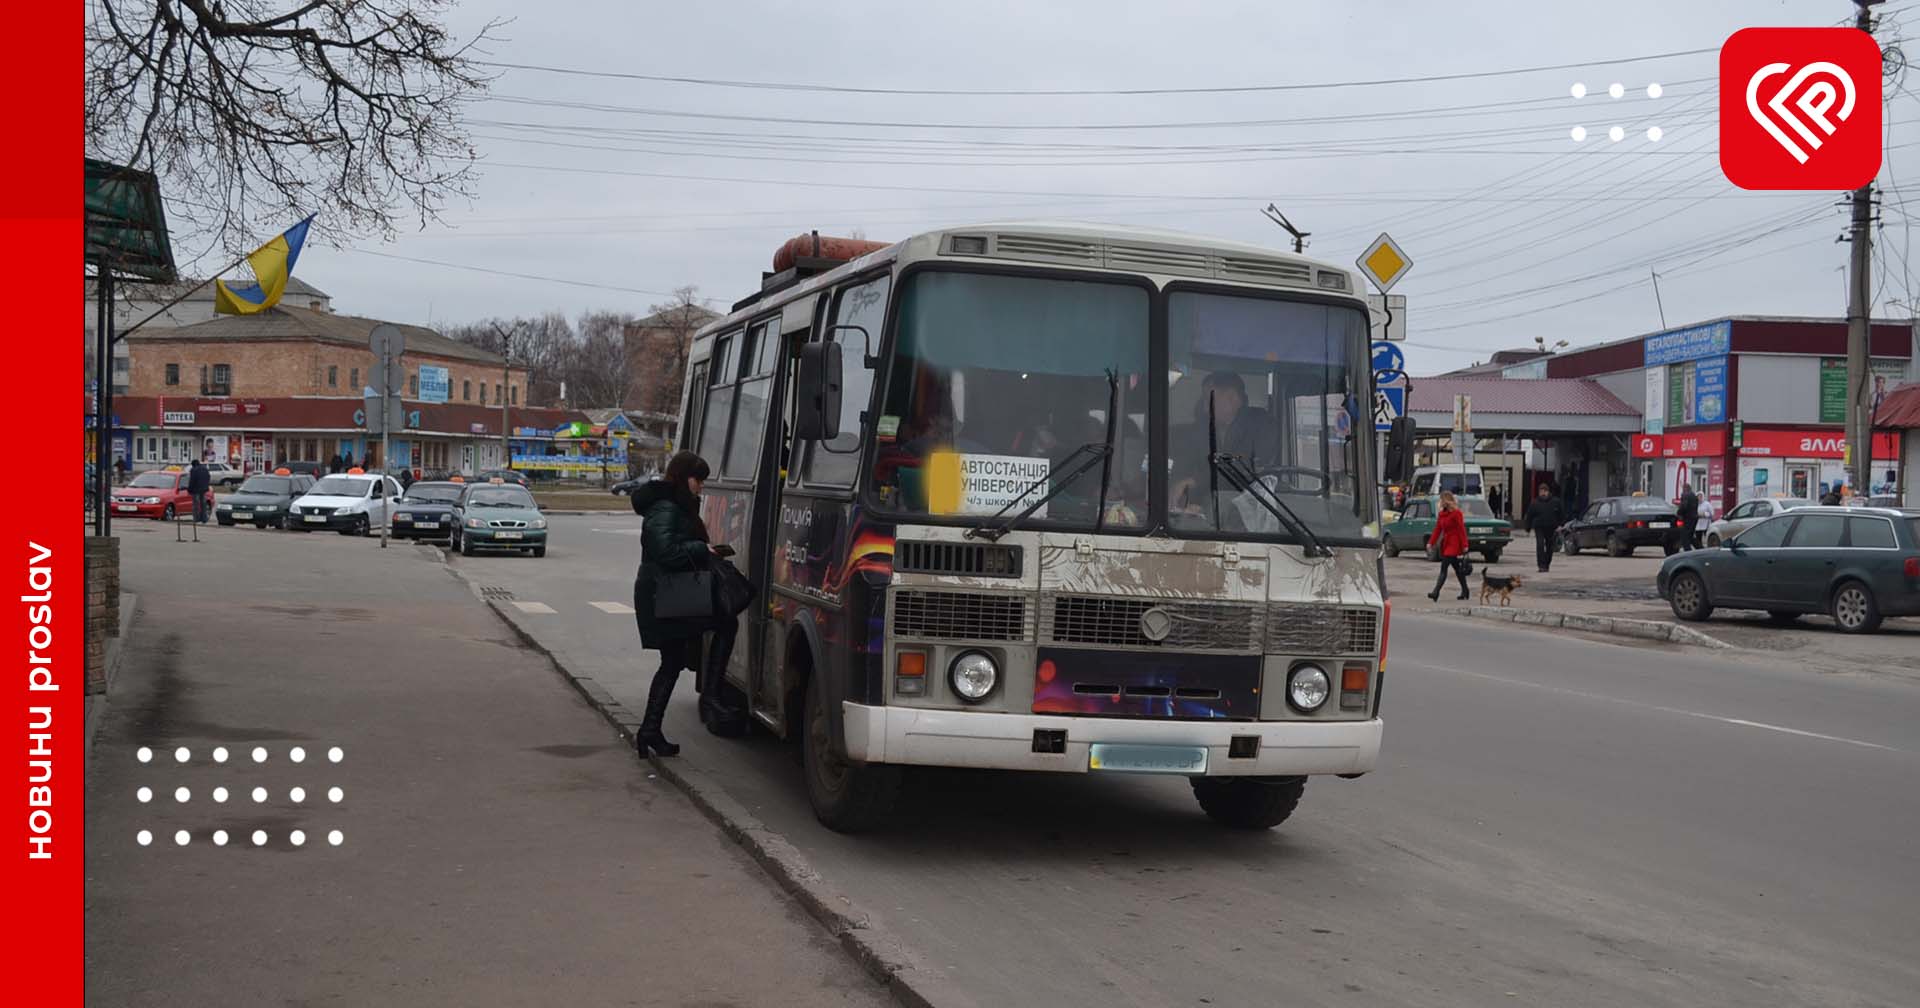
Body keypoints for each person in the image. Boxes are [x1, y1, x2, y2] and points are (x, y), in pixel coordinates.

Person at [631, 451, 738, 757]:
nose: (700, 487)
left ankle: (650, 731)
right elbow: (664, 550)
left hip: (668, 592)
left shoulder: (674, 504)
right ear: (683, 477)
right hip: (662, 593)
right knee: (725, 623)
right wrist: (701, 548)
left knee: (673, 663)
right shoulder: (665, 506)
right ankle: (711, 696)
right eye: (698, 480)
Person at [1426, 491, 1471, 602]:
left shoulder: (1457, 513)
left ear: (1446, 500)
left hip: (1455, 544)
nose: (1440, 502)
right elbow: (1438, 529)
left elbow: (1461, 530)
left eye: (1441, 499)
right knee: (1457, 569)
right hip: (1446, 543)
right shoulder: (1442, 514)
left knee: (1444, 567)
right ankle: (1465, 590)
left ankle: (1436, 592)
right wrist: (1430, 543)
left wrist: (1465, 545)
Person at [1524, 483, 1565, 573]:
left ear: (1548, 492)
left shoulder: (1556, 502)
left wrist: (1560, 525)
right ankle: (1541, 565)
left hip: (1551, 528)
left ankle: (1546, 564)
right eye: (1541, 491)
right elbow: (1529, 516)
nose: (1543, 493)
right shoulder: (1535, 503)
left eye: (1544, 491)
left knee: (1550, 547)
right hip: (1539, 527)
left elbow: (1561, 515)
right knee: (1540, 545)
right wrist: (1527, 529)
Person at [1675, 484, 1699, 553]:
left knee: (1684, 537)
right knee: (1691, 537)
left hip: (1688, 518)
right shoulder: (1694, 495)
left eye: (1683, 488)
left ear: (1685, 488)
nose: (1682, 490)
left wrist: (1679, 512)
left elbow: (1684, 506)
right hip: (1694, 518)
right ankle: (1701, 549)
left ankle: (1688, 553)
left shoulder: (1685, 495)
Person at [186, 458, 212, 523]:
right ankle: (204, 518)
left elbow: (192, 481)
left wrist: (189, 489)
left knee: (196, 505)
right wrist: (206, 486)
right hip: (204, 489)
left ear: (193, 465)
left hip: (196, 490)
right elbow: (208, 477)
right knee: (203, 504)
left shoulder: (194, 470)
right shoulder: (205, 469)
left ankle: (196, 518)